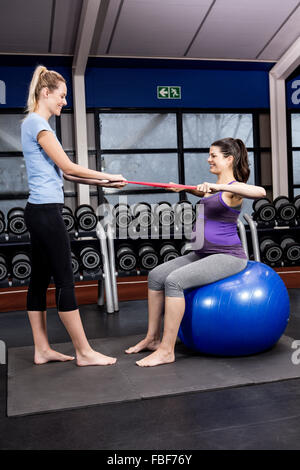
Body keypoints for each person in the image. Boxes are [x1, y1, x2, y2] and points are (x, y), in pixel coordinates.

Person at [125, 137, 266, 367]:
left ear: (229, 159)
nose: (208, 159)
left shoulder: (232, 190)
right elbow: (207, 197)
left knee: (174, 281)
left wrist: (219, 186)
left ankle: (166, 350)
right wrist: (182, 188)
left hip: (228, 256)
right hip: (202, 253)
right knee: (156, 275)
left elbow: (260, 192)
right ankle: (152, 338)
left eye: (214, 155)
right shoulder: (211, 190)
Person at [21, 65, 127, 367]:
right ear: (46, 92)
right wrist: (108, 174)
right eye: (62, 96)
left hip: (39, 210)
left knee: (40, 280)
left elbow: (68, 175)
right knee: (66, 280)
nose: (63, 102)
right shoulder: (38, 124)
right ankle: (84, 351)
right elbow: (69, 168)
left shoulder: (35, 124)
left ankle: (41, 349)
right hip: (45, 212)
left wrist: (107, 182)